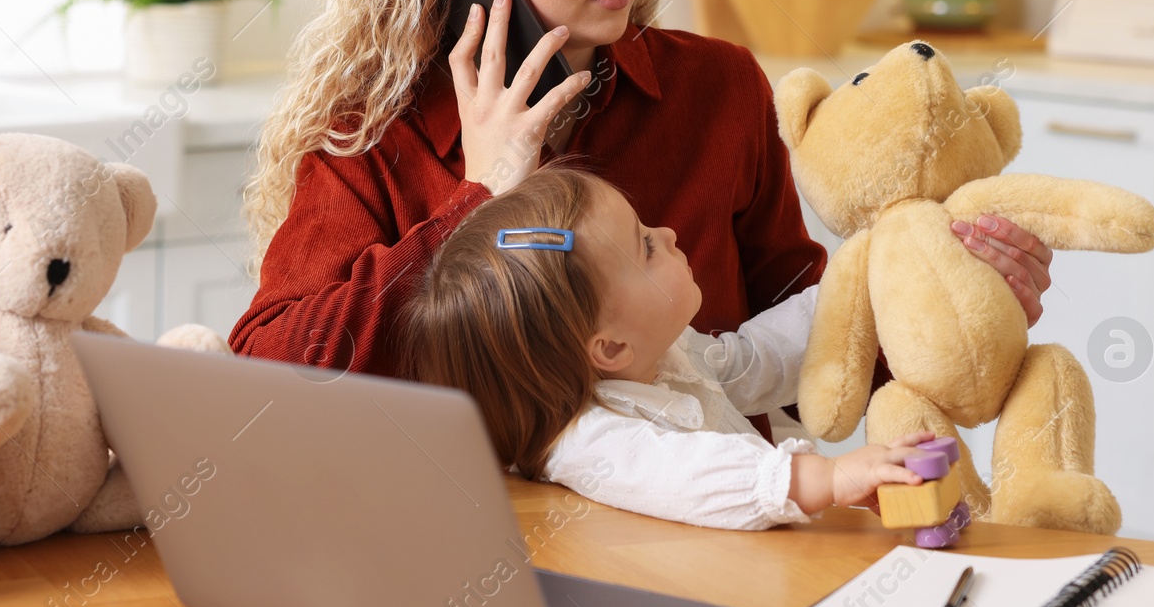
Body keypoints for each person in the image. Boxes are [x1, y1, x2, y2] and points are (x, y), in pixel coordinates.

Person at [231, 0, 1055, 440]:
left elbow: (819, 359)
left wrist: (954, 300)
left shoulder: (718, 91)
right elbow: (266, 379)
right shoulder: (376, 132)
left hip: (714, 541)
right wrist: (474, 202)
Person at [399, 163, 941, 529]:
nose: (669, 233)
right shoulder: (590, 445)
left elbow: (753, 359)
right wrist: (826, 478)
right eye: (647, 247)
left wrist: (869, 281)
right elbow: (682, 472)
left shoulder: (662, 360)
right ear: (610, 347)